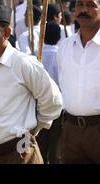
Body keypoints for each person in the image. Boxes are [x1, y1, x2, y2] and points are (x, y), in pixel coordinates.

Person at [0, 5, 62, 164]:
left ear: (7, 32)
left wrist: (34, 129)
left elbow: (52, 101)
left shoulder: (24, 64)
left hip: (19, 154)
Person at [57, 0, 100, 163]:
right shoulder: (65, 46)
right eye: (80, 5)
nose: (84, 10)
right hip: (71, 129)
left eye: (91, 5)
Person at [38, 21, 63, 164]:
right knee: (55, 147)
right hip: (57, 106)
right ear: (59, 37)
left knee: (39, 145)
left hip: (38, 105)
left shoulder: (34, 55)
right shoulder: (61, 55)